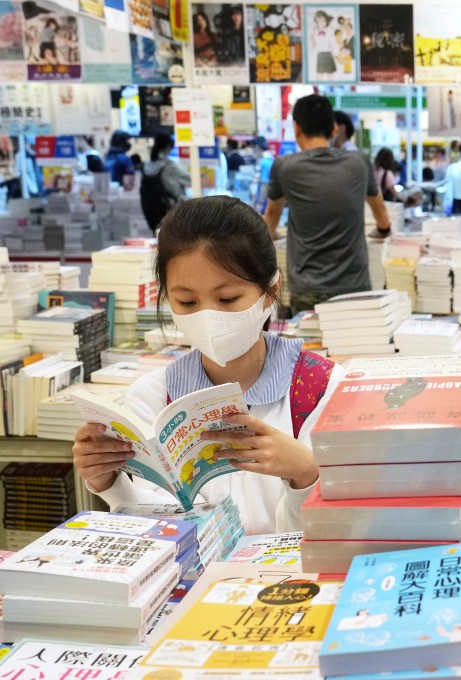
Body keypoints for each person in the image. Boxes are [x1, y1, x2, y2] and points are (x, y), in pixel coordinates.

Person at [71, 196, 342, 535]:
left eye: (227, 299)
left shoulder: (323, 389)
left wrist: (306, 474)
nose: (208, 316)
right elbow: (157, 538)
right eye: (187, 301)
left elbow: (335, 535)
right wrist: (109, 482)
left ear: (271, 290)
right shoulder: (152, 398)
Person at [263, 94, 392, 313]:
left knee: (312, 345)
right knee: (355, 343)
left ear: (296, 127)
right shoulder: (359, 162)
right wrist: (382, 230)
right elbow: (380, 211)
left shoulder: (285, 166)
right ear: (333, 129)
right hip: (355, 285)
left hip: (307, 286)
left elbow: (272, 216)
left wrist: (274, 235)